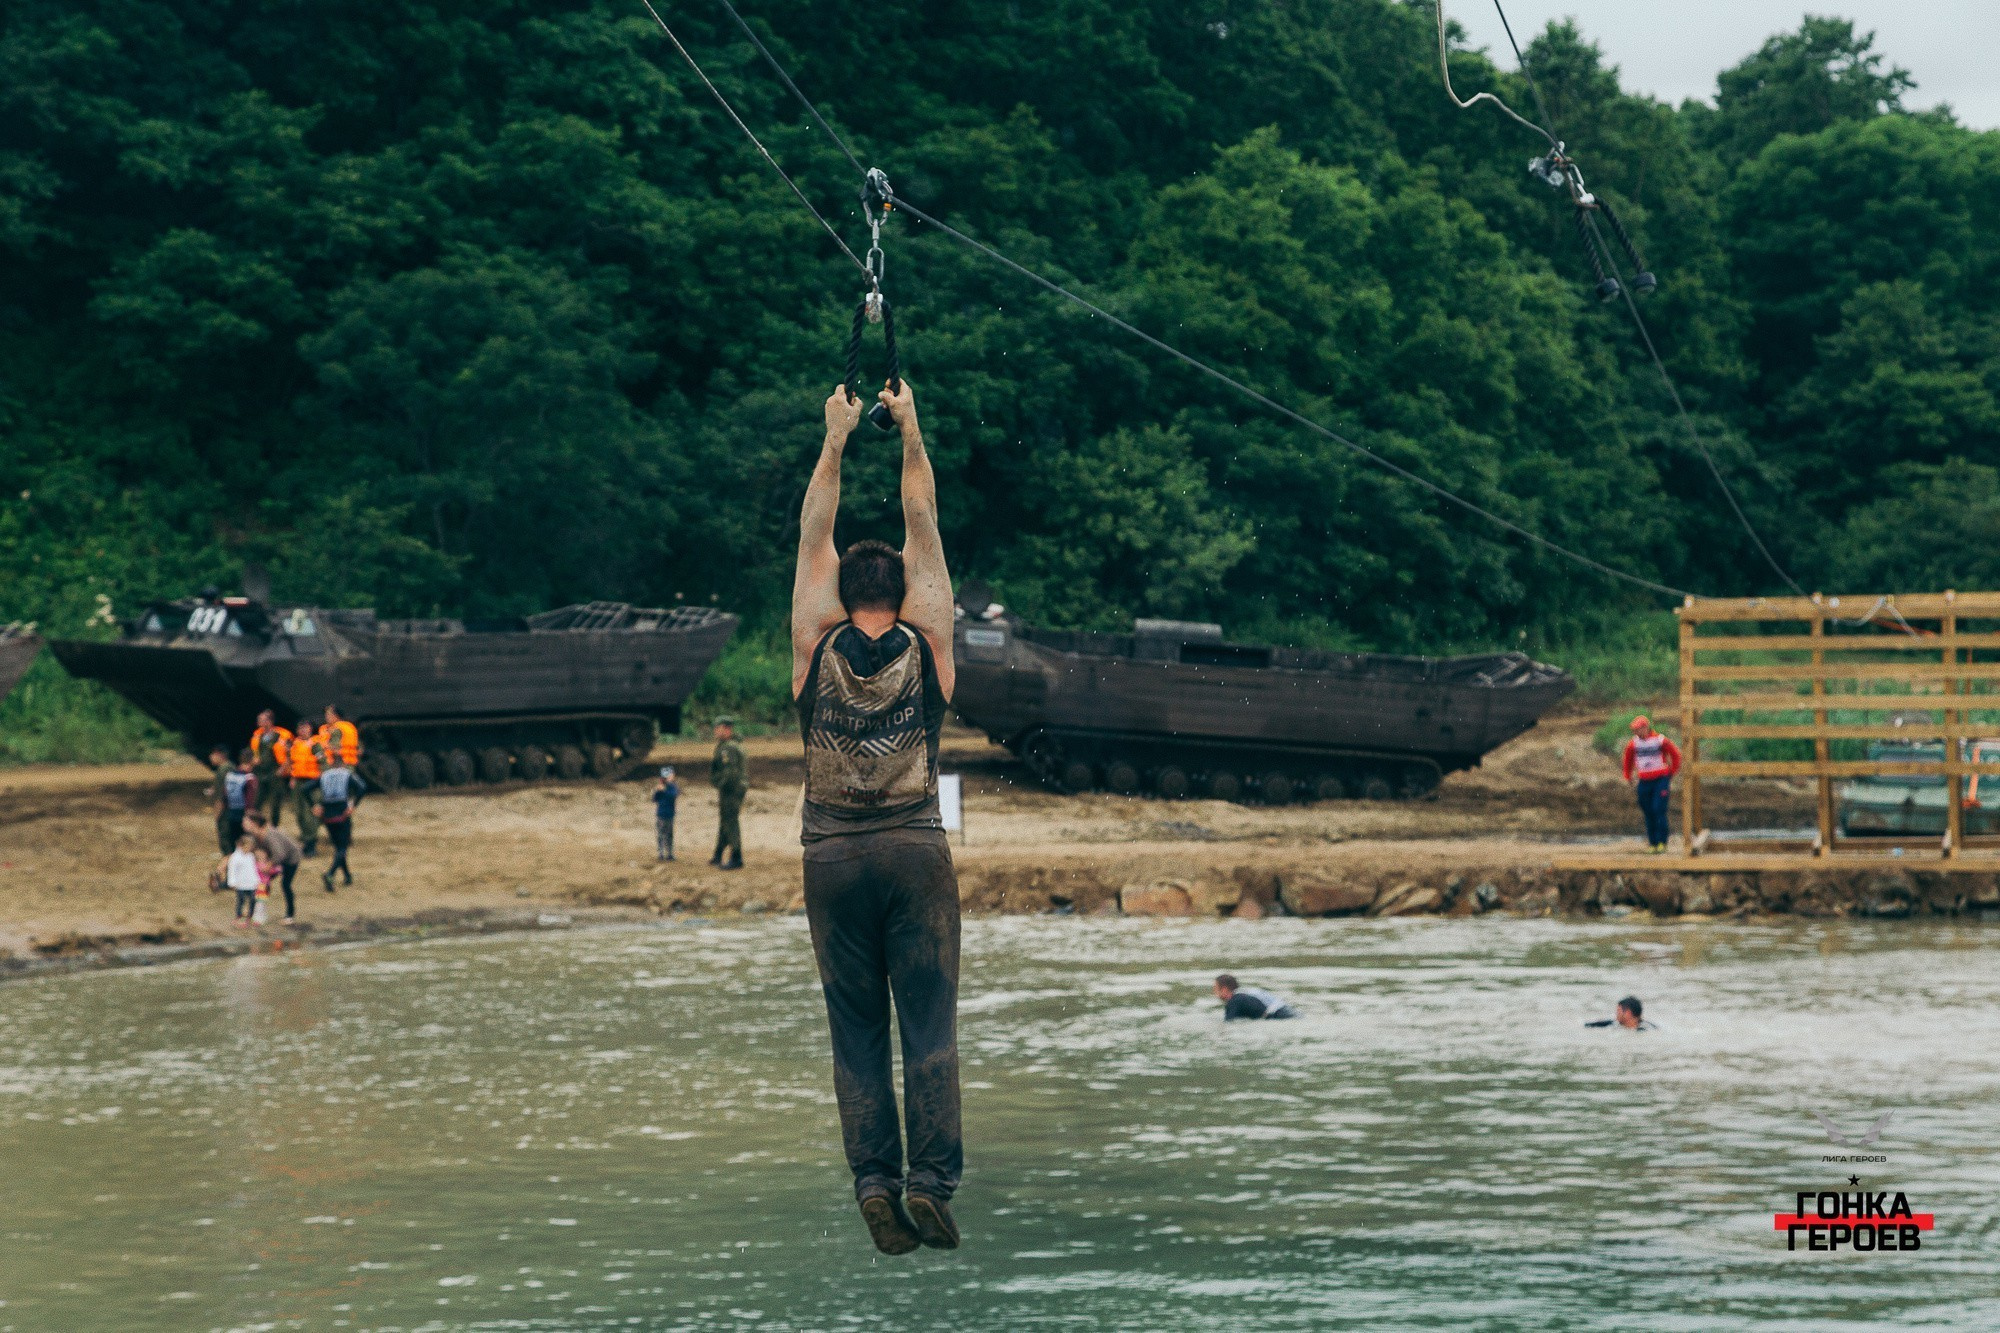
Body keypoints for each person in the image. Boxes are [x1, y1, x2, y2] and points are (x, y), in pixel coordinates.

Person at [791, 376, 962, 1256]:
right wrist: (911, 434)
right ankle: (930, 1183)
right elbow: (923, 522)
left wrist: (836, 438)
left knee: (856, 1030)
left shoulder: (812, 640)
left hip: (831, 858)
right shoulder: (928, 640)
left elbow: (812, 528)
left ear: (838, 591)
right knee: (927, 1024)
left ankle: (874, 1181)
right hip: (914, 848)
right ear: (900, 587)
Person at [1621, 716, 1683, 854]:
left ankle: (1662, 842)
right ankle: (1653, 843)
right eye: (1634, 730)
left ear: (1645, 728)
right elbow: (1628, 759)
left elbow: (1676, 755)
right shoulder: (1633, 744)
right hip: (1644, 780)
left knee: (1658, 809)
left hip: (1660, 779)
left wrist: (1671, 772)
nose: (1636, 732)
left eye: (1638, 729)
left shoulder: (1660, 740)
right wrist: (1628, 775)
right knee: (1648, 811)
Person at [315, 753, 366, 891]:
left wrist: (315, 805)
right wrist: (353, 805)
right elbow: (362, 788)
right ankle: (330, 873)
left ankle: (347, 876)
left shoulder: (324, 775)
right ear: (343, 764)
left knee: (339, 847)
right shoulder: (346, 774)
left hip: (328, 817)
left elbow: (305, 789)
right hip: (342, 815)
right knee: (343, 847)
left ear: (332, 764)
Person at [245, 810, 302, 923]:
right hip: (277, 859)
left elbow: (280, 854)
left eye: (246, 822)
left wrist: (268, 866)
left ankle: (290, 914)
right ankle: (258, 911)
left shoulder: (268, 835)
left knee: (285, 884)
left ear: (254, 823)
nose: (243, 824)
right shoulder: (256, 835)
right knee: (263, 883)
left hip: (291, 858)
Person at [709, 718, 746, 870]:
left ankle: (736, 857)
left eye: (718, 728)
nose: (716, 731)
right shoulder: (729, 745)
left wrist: (720, 784)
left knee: (730, 821)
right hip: (733, 788)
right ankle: (718, 854)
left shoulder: (728, 748)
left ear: (727, 729)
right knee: (726, 820)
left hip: (731, 789)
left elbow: (730, 773)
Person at [247, 710, 291, 830]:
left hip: (275, 772)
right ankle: (255, 825)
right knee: (256, 800)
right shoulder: (258, 735)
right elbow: (252, 753)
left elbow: (289, 754)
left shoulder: (281, 736)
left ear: (269, 721)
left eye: (261, 719)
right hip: (260, 772)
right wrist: (252, 763)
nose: (259, 722)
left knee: (275, 802)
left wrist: (283, 769)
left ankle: (274, 827)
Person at [288, 716, 326, 856]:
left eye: (305, 728)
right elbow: (293, 762)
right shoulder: (295, 744)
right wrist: (292, 778)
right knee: (299, 812)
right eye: (300, 728)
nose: (302, 731)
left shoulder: (315, 745)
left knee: (310, 813)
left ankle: (311, 842)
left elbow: (323, 763)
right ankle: (306, 838)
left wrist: (321, 779)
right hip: (298, 781)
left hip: (312, 781)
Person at [216, 749, 258, 855]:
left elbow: (224, 797)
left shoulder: (230, 775)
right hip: (243, 815)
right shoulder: (250, 778)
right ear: (252, 760)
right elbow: (250, 801)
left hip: (230, 814)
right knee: (246, 845)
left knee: (233, 844)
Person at [1213, 973, 1297, 1020]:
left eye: (1215, 989)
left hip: (1281, 1017)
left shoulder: (1234, 1001)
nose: (1214, 993)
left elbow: (1229, 1024)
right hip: (1289, 1012)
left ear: (1224, 990)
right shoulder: (1247, 992)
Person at [221, 834, 262, 927]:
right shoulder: (235, 857)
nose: (249, 848)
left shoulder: (250, 856)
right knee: (241, 901)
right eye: (248, 846)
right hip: (241, 884)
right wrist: (232, 882)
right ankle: (239, 917)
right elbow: (232, 870)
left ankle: (250, 917)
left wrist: (257, 880)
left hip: (251, 884)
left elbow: (253, 869)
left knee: (253, 900)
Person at [653, 767, 679, 862]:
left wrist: (664, 790)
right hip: (661, 814)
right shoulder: (661, 787)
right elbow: (654, 799)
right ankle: (661, 853)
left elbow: (674, 795)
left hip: (670, 814)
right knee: (661, 834)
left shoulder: (673, 787)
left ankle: (669, 853)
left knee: (669, 834)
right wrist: (658, 790)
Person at [323, 703, 361, 768]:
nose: (326, 717)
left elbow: (335, 749)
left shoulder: (335, 729)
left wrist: (325, 746)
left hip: (339, 765)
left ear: (336, 715)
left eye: (328, 715)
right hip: (350, 764)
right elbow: (359, 748)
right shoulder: (349, 726)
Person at [1586, 995, 1656, 1030]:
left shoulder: (1647, 1029)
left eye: (1618, 1011)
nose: (1616, 1014)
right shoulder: (1614, 1024)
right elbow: (1591, 1025)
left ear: (1628, 1013)